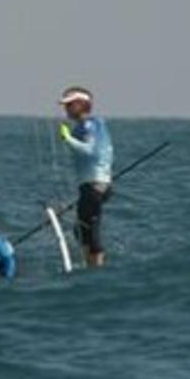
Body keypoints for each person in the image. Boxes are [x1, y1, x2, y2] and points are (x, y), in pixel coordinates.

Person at [57, 86, 114, 267]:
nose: (66, 109)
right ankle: (90, 265)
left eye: (70, 105)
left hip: (95, 186)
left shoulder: (91, 124)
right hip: (89, 186)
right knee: (80, 231)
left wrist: (68, 140)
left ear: (82, 104)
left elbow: (91, 152)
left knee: (90, 232)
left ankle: (97, 270)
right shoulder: (82, 127)